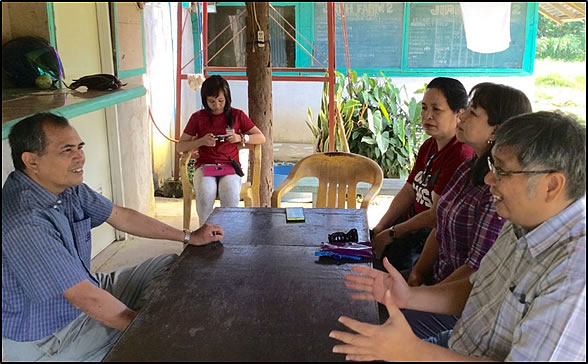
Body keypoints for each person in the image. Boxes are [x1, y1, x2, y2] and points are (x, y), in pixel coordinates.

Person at [330, 111, 586, 361]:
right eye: (491, 166)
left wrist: (412, 353)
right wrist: (409, 295)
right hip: (457, 343)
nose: (488, 179)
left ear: (551, 185)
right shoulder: (524, 221)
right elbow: (479, 290)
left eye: (502, 171)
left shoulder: (575, 274)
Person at [2, 113, 224, 361]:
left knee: (169, 267)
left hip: (86, 289)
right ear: (31, 161)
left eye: (79, 148)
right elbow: (83, 297)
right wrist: (149, 330)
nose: (80, 157)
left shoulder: (66, 187)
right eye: (67, 150)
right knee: (152, 347)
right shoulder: (24, 221)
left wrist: (188, 236)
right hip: (51, 335)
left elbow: (121, 217)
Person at [402, 83, 533, 339]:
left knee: (380, 324)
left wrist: (425, 295)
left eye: (472, 112)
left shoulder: (499, 192)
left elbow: (474, 270)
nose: (460, 116)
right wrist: (418, 272)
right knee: (363, 294)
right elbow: (439, 226)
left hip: (460, 302)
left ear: (496, 129)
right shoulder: (468, 168)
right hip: (437, 281)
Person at [371, 77, 475, 272]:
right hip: (409, 230)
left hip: (428, 241)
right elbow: (410, 190)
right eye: (425, 107)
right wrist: (381, 226)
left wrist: (392, 233)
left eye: (437, 110)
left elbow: (436, 215)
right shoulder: (429, 145)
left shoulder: (460, 155)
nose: (427, 115)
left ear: (459, 114)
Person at [176, 75, 265, 225]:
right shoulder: (198, 117)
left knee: (230, 194)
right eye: (211, 101)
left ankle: (228, 234)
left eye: (220, 101)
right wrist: (201, 141)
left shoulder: (237, 115)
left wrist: (241, 138)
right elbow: (180, 146)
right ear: (205, 100)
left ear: (227, 98)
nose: (216, 105)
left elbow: (261, 137)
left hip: (230, 166)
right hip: (205, 166)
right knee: (205, 193)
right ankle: (206, 233)